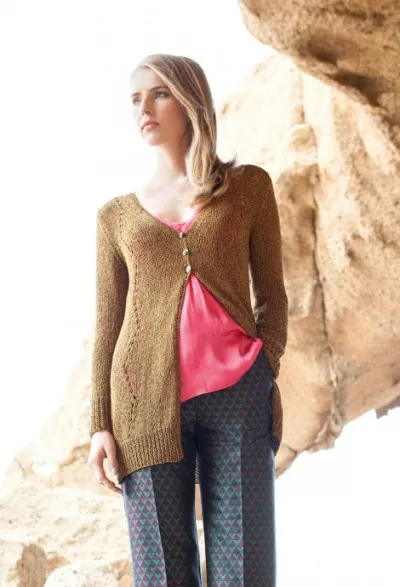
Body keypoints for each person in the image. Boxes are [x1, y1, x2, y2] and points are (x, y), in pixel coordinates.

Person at [87, 52, 288, 586]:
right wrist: (99, 424)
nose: (144, 109)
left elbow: (272, 295)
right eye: (135, 98)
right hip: (143, 403)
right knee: (162, 574)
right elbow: (107, 326)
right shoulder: (115, 217)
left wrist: (263, 366)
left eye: (159, 94)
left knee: (245, 569)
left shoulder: (249, 188)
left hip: (239, 394)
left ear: (191, 100)